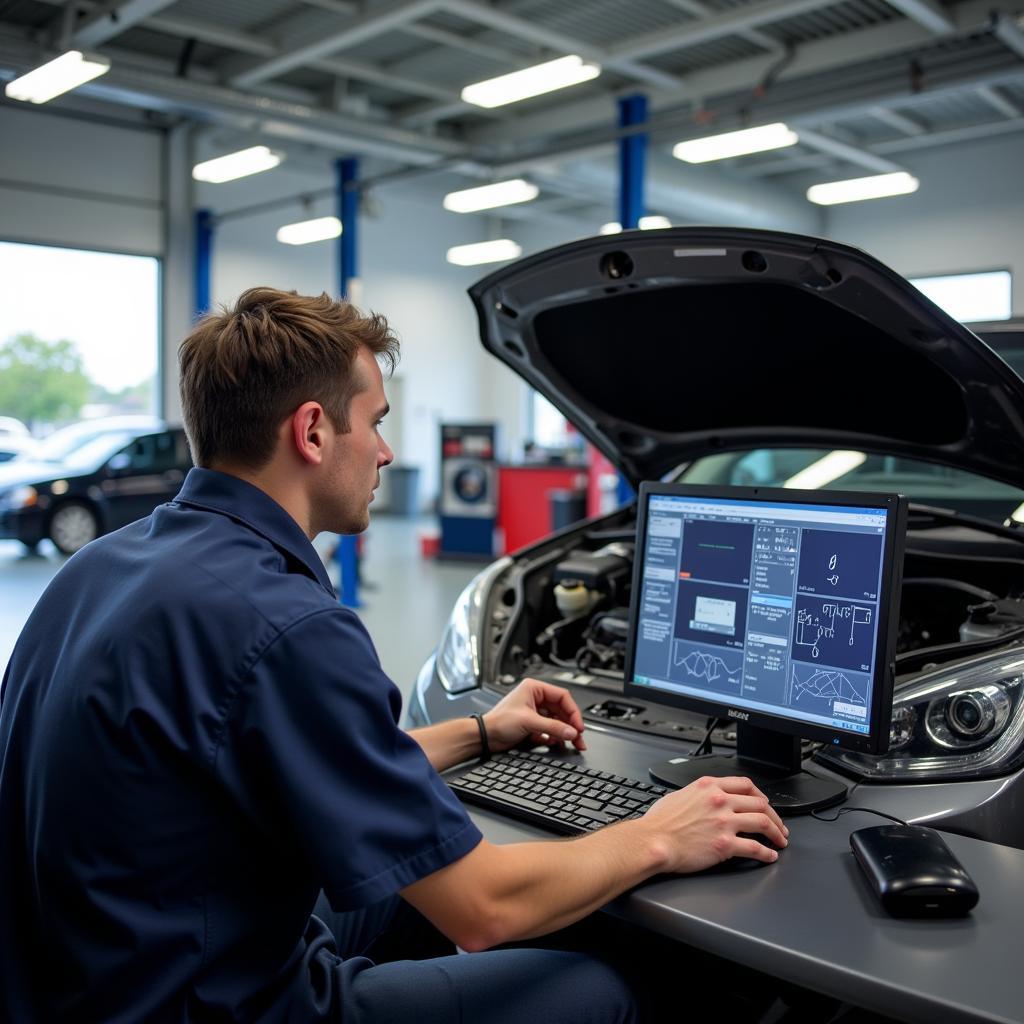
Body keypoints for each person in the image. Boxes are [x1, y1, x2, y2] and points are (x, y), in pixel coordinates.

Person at [0, 287, 788, 1023]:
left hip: (91, 979)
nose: (384, 452)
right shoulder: (287, 624)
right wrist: (659, 832)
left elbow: (293, 757)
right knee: (601, 983)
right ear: (311, 432)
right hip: (215, 1001)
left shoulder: (100, 569)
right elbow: (485, 910)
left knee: (410, 894)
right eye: (373, 422)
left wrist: (481, 733)